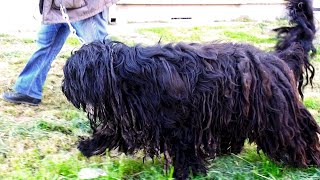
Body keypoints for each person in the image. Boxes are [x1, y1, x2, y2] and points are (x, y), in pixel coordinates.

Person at [2, 0, 118, 106]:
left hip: (86, 7)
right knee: (45, 45)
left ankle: (114, 97)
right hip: (56, 7)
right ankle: (28, 90)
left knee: (101, 54)